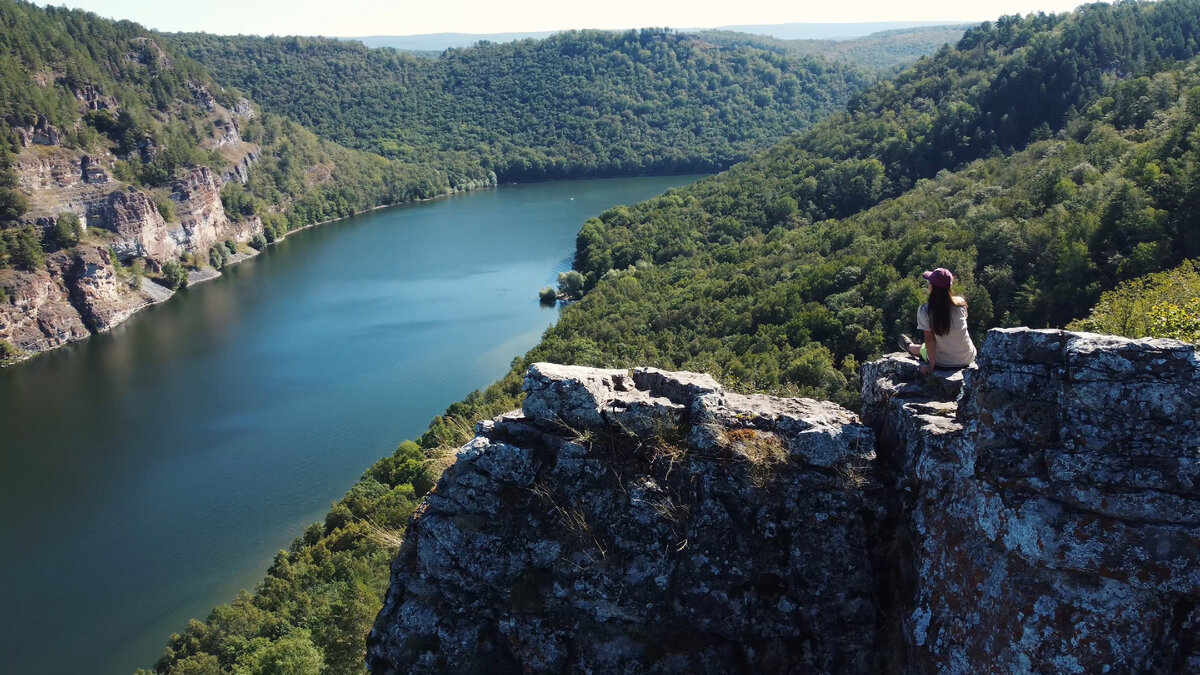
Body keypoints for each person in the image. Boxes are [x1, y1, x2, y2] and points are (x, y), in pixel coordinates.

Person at [898, 268, 977, 376]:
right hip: (967, 357)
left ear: (932, 287)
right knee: (939, 343)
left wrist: (931, 366)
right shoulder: (961, 303)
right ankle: (912, 347)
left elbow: (930, 340)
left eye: (929, 282)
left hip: (943, 362)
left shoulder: (925, 310)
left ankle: (910, 347)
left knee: (924, 348)